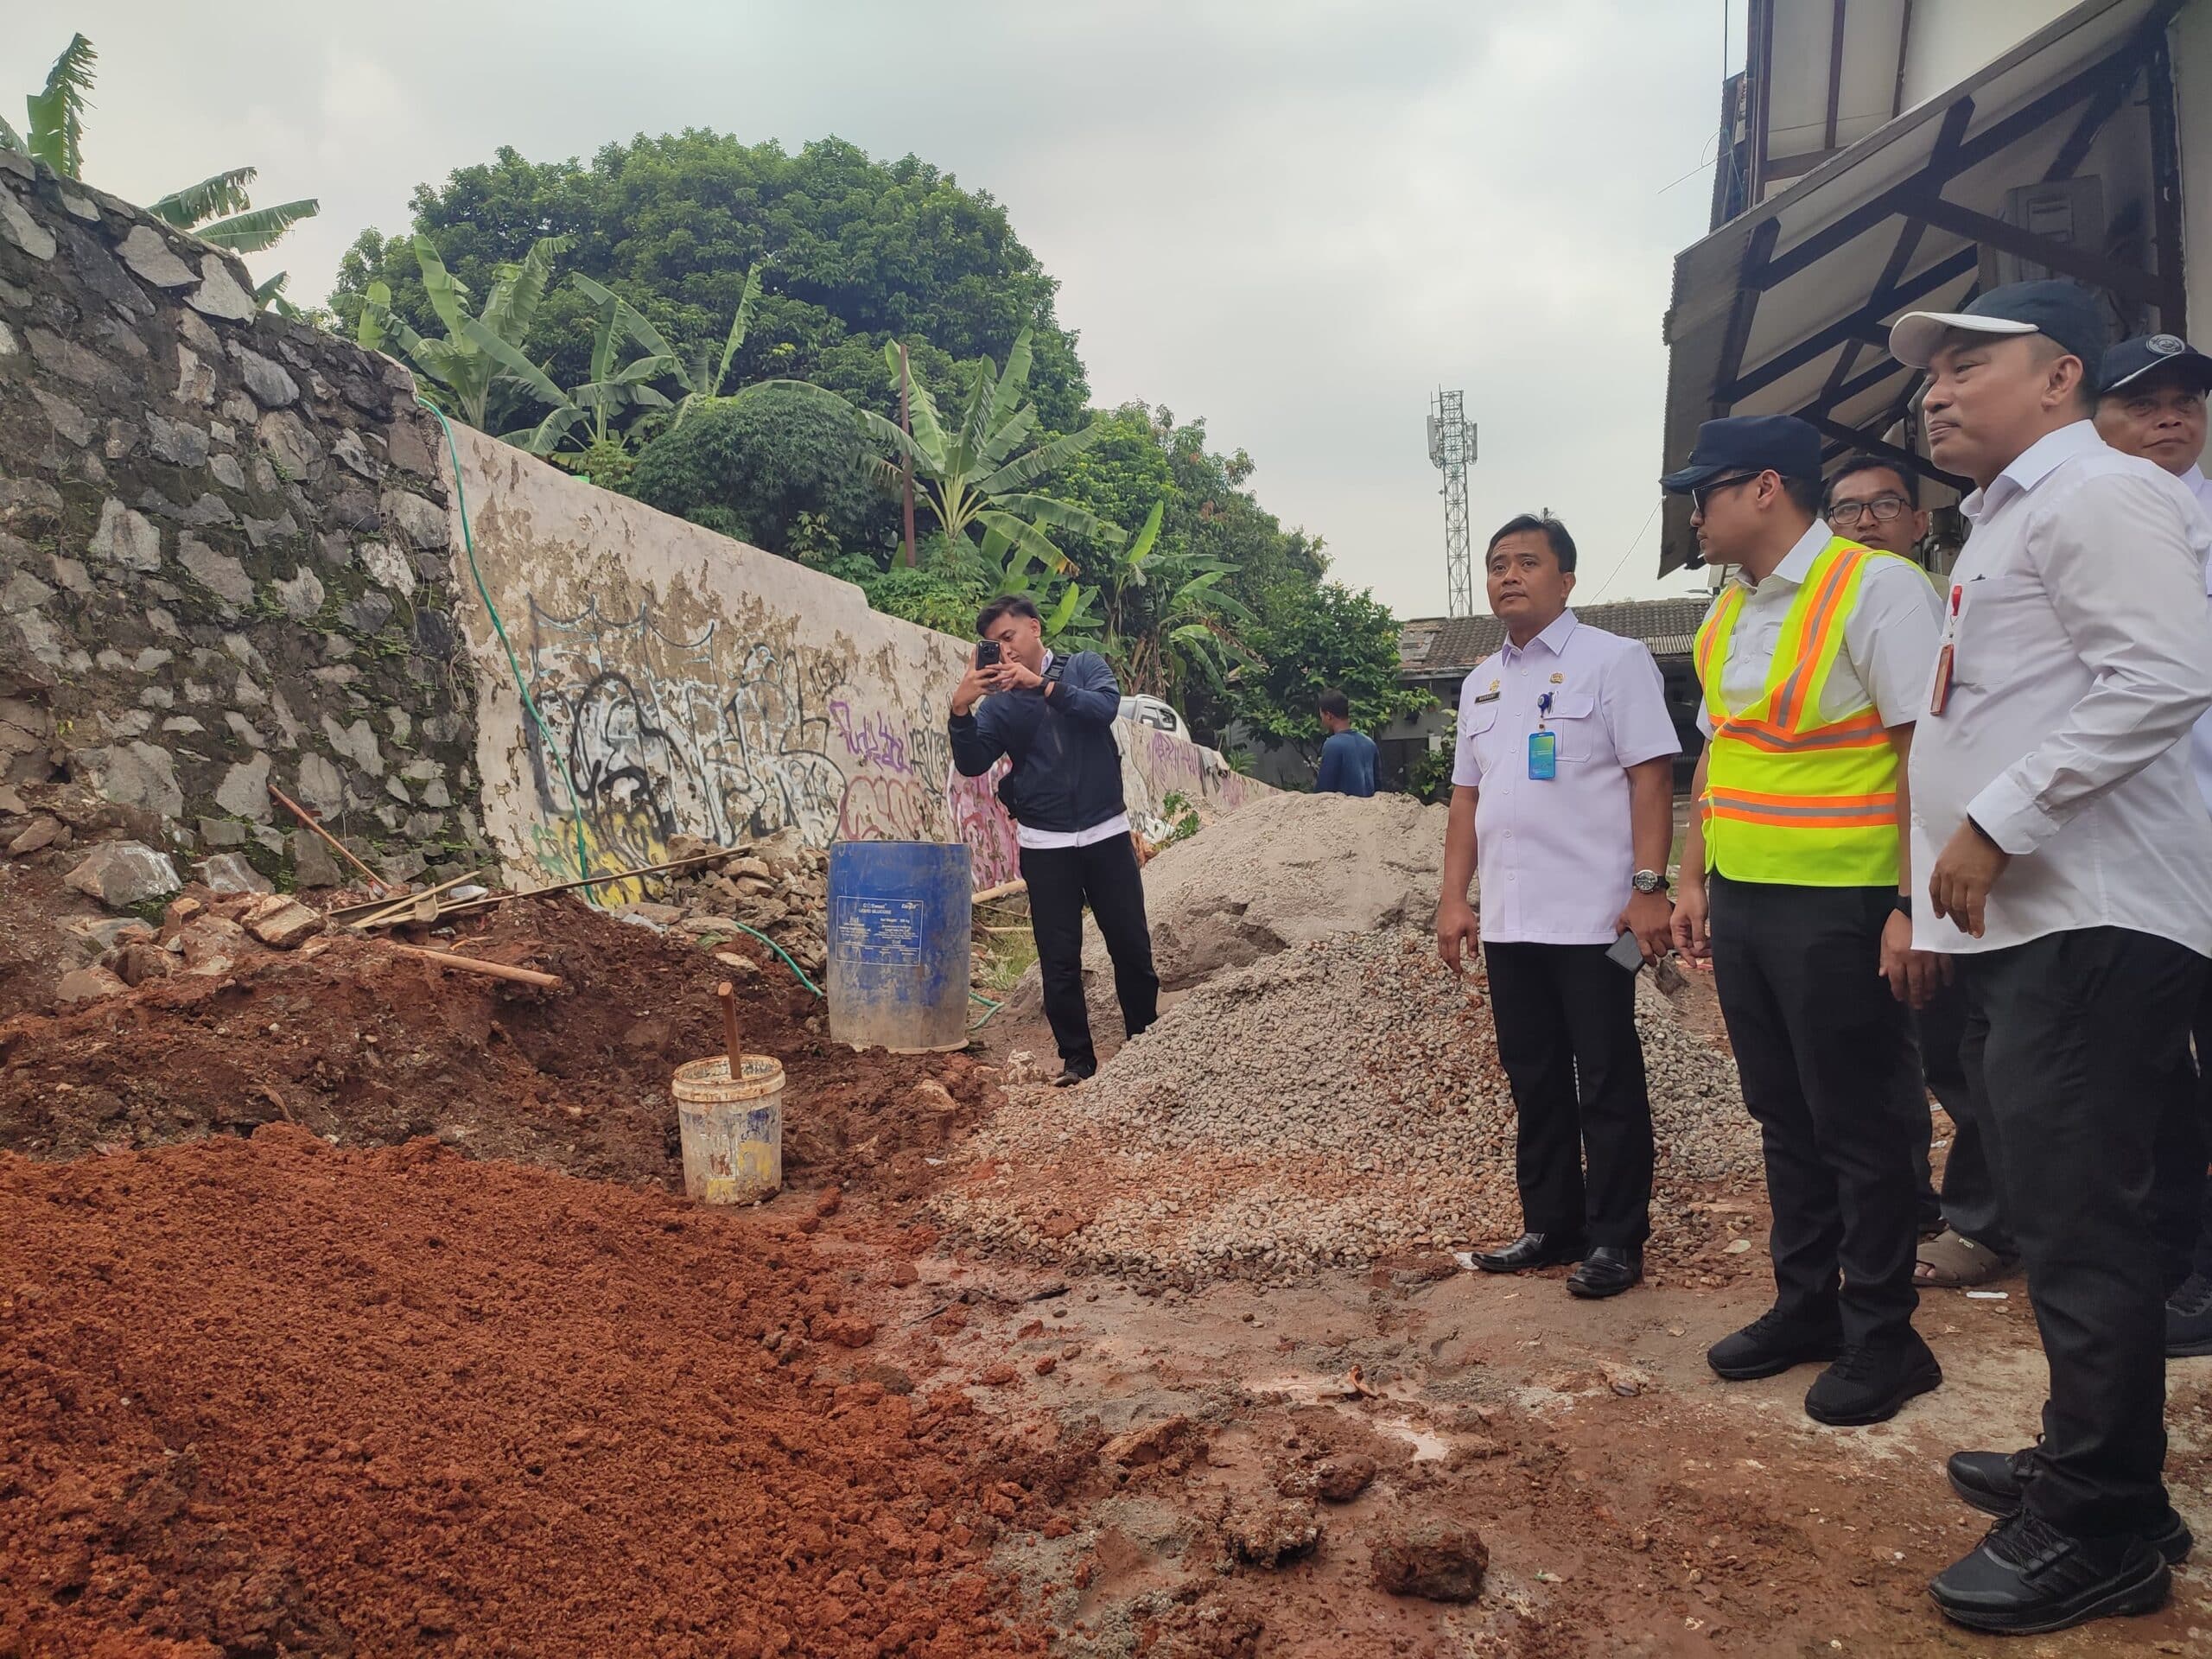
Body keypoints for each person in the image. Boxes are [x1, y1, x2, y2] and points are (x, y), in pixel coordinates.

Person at [1889, 282, 2212, 1633]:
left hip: (2093, 910)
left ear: (2062, 376)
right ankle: (2102, 1471)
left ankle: (2101, 1525)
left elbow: (2164, 675)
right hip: (2039, 919)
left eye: (1971, 362)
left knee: (2083, 1225)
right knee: (2065, 1214)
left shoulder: (2102, 495)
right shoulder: (2013, 516)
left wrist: (1996, 824)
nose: (1937, 389)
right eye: (1932, 373)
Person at [1665, 416, 1945, 1427]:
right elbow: (1719, 755)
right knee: (1783, 1115)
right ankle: (1805, 1307)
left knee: (1860, 1124)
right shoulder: (1726, 614)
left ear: (1765, 489)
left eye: (1706, 492)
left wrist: (1911, 904)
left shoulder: (1876, 589)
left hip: (1844, 902)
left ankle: (1884, 1335)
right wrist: (1691, 878)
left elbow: (1926, 752)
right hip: (1745, 896)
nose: (1693, 514)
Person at [1435, 513, 1680, 1300]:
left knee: (1606, 1073)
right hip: (1511, 922)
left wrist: (1648, 890)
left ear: (1565, 580)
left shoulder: (1616, 662)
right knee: (1533, 1075)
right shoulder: (1482, 682)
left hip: (1599, 920)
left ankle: (1615, 1240)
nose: (1509, 575)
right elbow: (1466, 799)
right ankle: (1551, 1225)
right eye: (1498, 563)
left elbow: (1651, 778)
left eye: (1528, 562)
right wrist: (1453, 898)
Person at [1824, 456, 2019, 1292]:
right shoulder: (1836, 609)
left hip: (1965, 859)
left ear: (1917, 519)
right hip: (1881, 868)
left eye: (1884, 506)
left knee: (1979, 1052)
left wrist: (1919, 895)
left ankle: (1989, 1220)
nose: (1867, 522)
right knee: (1908, 1052)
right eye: (1848, 510)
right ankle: (1924, 1206)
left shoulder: (1940, 601)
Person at [2093, 332, 2212, 1357]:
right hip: (2133, 860)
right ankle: (2174, 1254)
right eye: (2145, 403)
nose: (2171, 418)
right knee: (2149, 1082)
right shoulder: (2081, 529)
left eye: (2185, 402)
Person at [949, 595, 1159, 1086]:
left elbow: (1103, 708)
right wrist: (960, 709)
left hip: (1106, 832)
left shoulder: (1083, 666)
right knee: (1058, 959)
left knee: (1131, 947)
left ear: (1035, 629)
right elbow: (973, 762)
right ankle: (1077, 1062)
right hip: (1045, 845)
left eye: (1009, 637)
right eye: (995, 644)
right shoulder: (1000, 706)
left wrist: (1043, 686)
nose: (1005, 650)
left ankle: (1145, 1043)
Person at [1314, 690, 1378, 797]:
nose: (1322, 721)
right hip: (1370, 810)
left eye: (1322, 716)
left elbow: (1323, 793)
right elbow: (1379, 788)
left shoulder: (1333, 745)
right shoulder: (1369, 743)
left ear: (1329, 716)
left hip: (1345, 811)